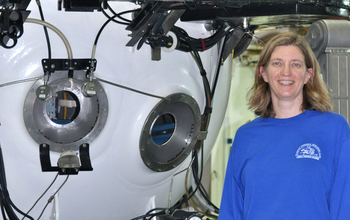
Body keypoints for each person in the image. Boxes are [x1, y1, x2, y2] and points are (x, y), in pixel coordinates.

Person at [218, 32, 350, 219]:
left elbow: (344, 207)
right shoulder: (245, 136)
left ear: (308, 75)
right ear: (263, 73)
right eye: (277, 63)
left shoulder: (334, 129)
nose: (286, 72)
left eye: (295, 64)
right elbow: (231, 210)